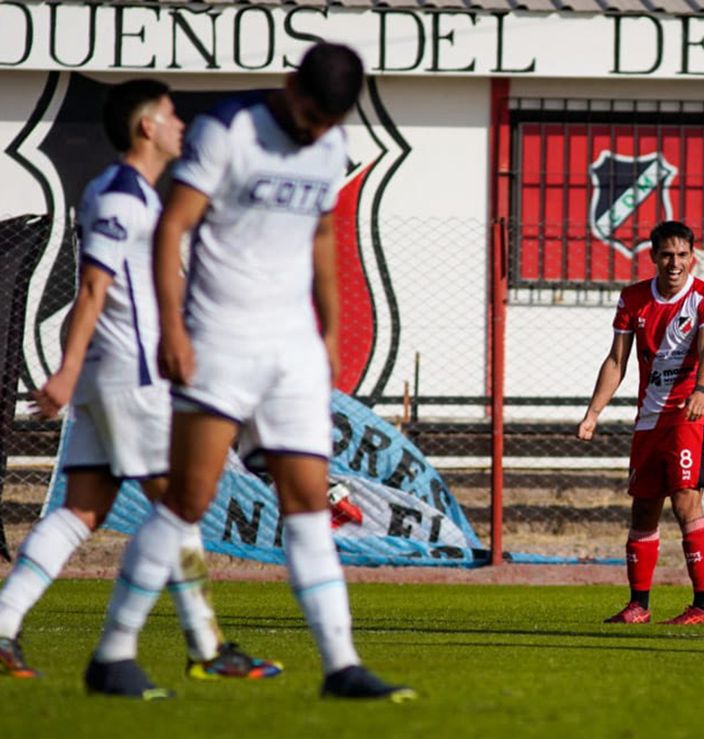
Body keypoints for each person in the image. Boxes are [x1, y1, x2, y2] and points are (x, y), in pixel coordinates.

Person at [85, 44, 414, 701]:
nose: (315, 130)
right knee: (187, 499)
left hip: (290, 349)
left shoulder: (330, 144)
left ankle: (341, 665)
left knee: (309, 505)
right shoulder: (227, 129)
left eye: (329, 121)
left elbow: (321, 235)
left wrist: (328, 332)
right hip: (221, 341)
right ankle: (114, 654)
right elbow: (172, 228)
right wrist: (174, 331)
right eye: (311, 114)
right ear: (291, 86)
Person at [0, 80, 279, 684]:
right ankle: (201, 648)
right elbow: (93, 288)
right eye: (174, 115)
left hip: (111, 378)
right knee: (178, 506)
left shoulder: (136, 197)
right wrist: (67, 371)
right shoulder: (122, 197)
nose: (182, 126)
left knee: (81, 511)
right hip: (131, 378)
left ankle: (3, 626)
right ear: (147, 126)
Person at [577, 220, 704, 625]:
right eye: (667, 255)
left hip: (690, 412)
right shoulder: (632, 299)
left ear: (692, 257)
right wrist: (593, 412)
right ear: (653, 257)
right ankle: (639, 606)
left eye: (682, 255)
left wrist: (701, 390)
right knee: (643, 507)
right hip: (649, 418)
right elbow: (616, 361)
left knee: (685, 499)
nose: (675, 263)